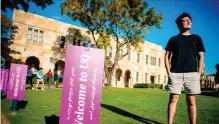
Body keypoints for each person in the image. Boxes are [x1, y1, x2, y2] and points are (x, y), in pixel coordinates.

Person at [164, 12, 205, 124]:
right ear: (179, 24)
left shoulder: (196, 38)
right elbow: (166, 56)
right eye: (185, 20)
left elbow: (201, 56)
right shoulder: (173, 39)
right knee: (173, 99)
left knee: (191, 101)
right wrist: (169, 73)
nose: (189, 21)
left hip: (192, 73)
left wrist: (199, 72)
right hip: (175, 73)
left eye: (189, 20)